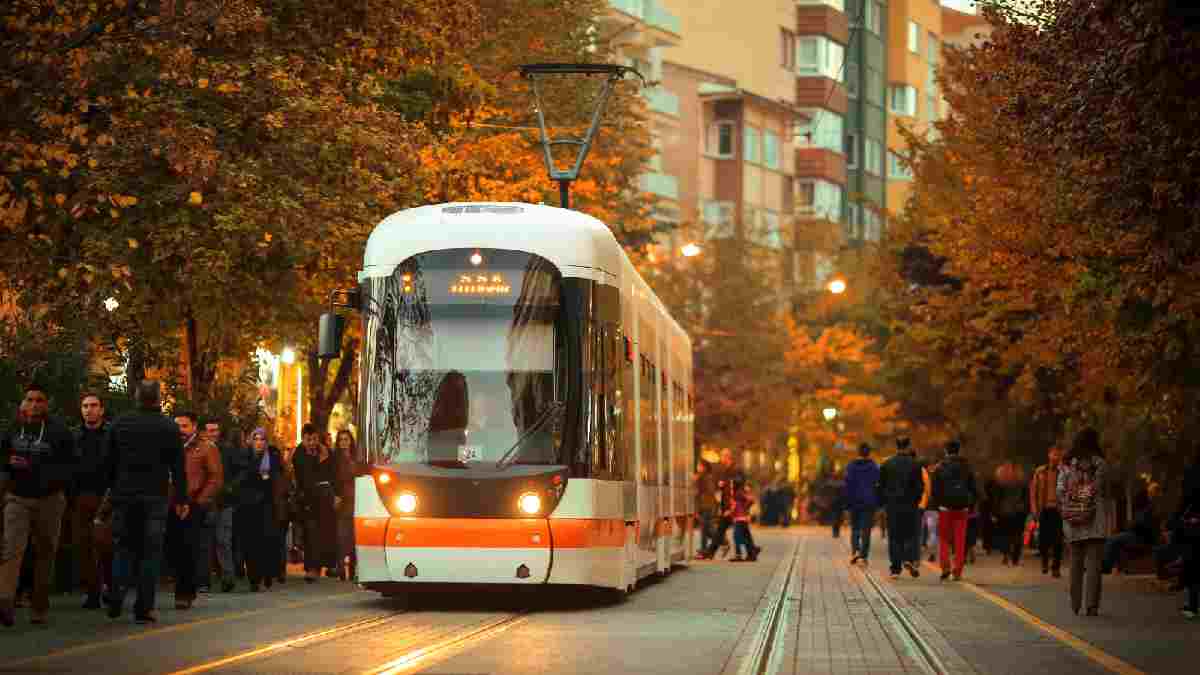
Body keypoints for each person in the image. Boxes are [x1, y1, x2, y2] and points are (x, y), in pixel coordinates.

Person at [102, 380, 187, 624]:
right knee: (150, 552)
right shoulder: (168, 427)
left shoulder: (120, 423)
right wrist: (181, 498)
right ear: (158, 399)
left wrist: (112, 488)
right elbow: (178, 467)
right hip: (155, 496)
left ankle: (116, 594)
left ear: (137, 398)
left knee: (123, 546)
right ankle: (144, 606)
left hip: (125, 495)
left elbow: (107, 460)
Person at [0, 383, 77, 627]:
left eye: (39, 400)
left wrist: (51, 477)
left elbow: (71, 465)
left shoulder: (59, 431)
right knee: (12, 549)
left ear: (47, 404)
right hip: (17, 497)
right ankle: (5, 603)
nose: (34, 404)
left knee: (46, 552)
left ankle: (39, 607)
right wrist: (8, 461)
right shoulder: (13, 428)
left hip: (50, 499)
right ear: (23, 402)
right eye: (30, 399)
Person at [169, 412, 223, 610]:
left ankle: (184, 592)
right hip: (170, 503)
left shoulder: (207, 448)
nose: (180, 431)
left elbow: (215, 478)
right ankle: (181, 585)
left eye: (184, 426)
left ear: (193, 426)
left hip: (193, 504)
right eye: (177, 426)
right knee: (174, 548)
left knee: (188, 548)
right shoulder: (170, 446)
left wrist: (199, 502)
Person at [1057, 427, 1109, 616]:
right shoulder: (1100, 464)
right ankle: (1092, 606)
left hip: (1073, 521)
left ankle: (1075, 604)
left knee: (1075, 563)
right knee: (1094, 564)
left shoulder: (1066, 464)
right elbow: (1101, 489)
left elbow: (1060, 490)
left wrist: (1070, 502)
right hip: (1095, 520)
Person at [235, 429, 287, 592]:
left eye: (262, 439)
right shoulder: (245, 457)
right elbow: (241, 478)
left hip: (268, 507)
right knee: (251, 544)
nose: (259, 442)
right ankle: (254, 579)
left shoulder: (273, 458)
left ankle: (267, 573)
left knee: (267, 542)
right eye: (256, 439)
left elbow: (279, 479)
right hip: (249, 507)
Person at [73, 392, 112, 609]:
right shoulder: (74, 435)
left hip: (107, 496)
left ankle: (110, 585)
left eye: (94, 405)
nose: (89, 409)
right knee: (84, 546)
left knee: (106, 544)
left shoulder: (112, 433)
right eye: (86, 406)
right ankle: (93, 592)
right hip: (81, 495)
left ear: (102, 409)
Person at [293, 424, 339, 581]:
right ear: (303, 439)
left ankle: (330, 565)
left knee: (327, 532)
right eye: (308, 440)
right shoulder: (299, 454)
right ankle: (312, 568)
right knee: (311, 534)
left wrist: (336, 495)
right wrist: (315, 459)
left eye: (314, 439)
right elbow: (304, 477)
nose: (312, 443)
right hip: (308, 499)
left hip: (326, 498)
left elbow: (334, 475)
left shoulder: (326, 452)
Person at [207, 418, 248, 592]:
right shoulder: (197, 449)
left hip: (224, 501)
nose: (212, 433)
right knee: (204, 541)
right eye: (209, 430)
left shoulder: (227, 450)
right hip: (203, 501)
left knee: (223, 539)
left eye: (215, 430)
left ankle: (227, 576)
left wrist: (231, 487)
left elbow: (243, 470)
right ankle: (202, 580)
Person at [930, 440, 977, 581]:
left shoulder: (940, 467)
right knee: (960, 540)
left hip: (945, 508)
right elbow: (973, 488)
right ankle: (957, 571)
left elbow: (935, 490)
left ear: (946, 451)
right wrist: (971, 504)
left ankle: (945, 568)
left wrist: (938, 505)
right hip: (962, 508)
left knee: (944, 538)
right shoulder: (967, 466)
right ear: (959, 450)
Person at [879, 437, 924, 578]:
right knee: (910, 534)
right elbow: (919, 487)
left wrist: (883, 502)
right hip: (910, 505)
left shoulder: (887, 464)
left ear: (896, 446)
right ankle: (909, 559)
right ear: (908, 446)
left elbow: (881, 486)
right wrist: (916, 501)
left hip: (892, 506)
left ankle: (895, 569)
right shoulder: (915, 465)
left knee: (894, 536)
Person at [1101, 485, 1161, 574]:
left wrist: (1131, 525)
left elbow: (1141, 525)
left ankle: (1106, 567)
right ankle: (1112, 567)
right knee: (1115, 540)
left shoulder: (1149, 508)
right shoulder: (1148, 508)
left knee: (1112, 540)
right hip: (1139, 536)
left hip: (1141, 538)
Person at [1173, 448, 1200, 619]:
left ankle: (1193, 605)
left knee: (1194, 562)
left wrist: (1176, 519)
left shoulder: (1193, 471)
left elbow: (1186, 498)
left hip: (1195, 522)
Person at [843, 443, 881, 566]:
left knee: (855, 528)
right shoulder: (874, 467)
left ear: (858, 452)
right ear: (869, 452)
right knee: (866, 530)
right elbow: (878, 485)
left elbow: (847, 486)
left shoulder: (851, 466)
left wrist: (847, 504)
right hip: (869, 502)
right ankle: (863, 556)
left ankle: (855, 551)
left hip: (854, 502)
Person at [1030, 446, 1065, 577]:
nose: (1055, 457)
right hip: (1043, 509)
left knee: (1057, 540)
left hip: (1058, 510)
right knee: (1043, 539)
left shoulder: (1063, 472)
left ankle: (1056, 567)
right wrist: (1034, 510)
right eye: (1053, 454)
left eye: (1058, 454)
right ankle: (1044, 562)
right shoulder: (1040, 472)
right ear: (1049, 455)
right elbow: (1033, 492)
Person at [988, 461, 1029, 566]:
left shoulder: (1002, 481)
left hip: (1006, 511)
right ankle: (1013, 558)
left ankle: (1007, 556)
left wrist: (994, 512)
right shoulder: (1022, 481)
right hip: (1017, 511)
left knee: (1007, 535)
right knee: (1016, 535)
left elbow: (997, 498)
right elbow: (1026, 497)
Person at [334, 429, 357, 581]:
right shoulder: (335, 459)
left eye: (346, 439)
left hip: (357, 500)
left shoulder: (357, 458)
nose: (344, 443)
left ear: (351, 441)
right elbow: (333, 479)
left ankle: (353, 569)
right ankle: (341, 568)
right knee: (343, 536)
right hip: (342, 501)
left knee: (355, 536)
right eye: (341, 440)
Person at [694, 459, 717, 556]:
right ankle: (720, 541)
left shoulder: (706, 477)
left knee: (704, 529)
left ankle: (704, 549)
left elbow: (709, 491)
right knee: (706, 529)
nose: (697, 467)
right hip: (705, 505)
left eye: (699, 465)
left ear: (704, 467)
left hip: (706, 506)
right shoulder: (702, 477)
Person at [730, 479, 756, 562]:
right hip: (742, 518)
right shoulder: (740, 492)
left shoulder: (738, 493)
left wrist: (732, 511)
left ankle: (740, 554)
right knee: (745, 536)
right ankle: (751, 554)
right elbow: (749, 501)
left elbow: (749, 501)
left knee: (737, 537)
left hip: (739, 518)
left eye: (731, 484)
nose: (730, 485)